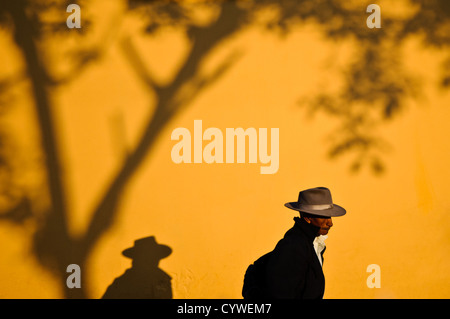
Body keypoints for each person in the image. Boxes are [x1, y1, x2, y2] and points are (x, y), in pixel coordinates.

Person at [264, 186, 346, 299]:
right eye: (324, 217)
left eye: (330, 216)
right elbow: (282, 293)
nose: (330, 223)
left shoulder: (313, 243)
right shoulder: (294, 247)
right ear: (307, 218)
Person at [102, 236, 173, 299]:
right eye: (147, 257)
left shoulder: (161, 279)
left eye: (154, 257)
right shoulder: (121, 281)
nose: (154, 260)